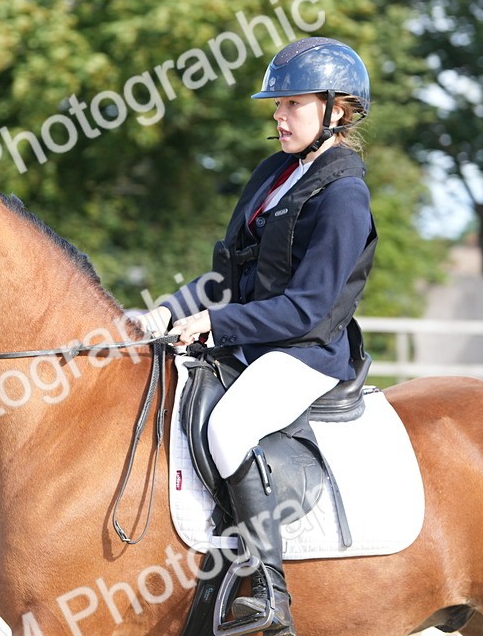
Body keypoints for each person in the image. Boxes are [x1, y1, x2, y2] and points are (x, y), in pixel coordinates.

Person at [134, 36, 378, 635]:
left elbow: (310, 307)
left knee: (229, 426)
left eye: (292, 103)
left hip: (308, 351)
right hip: (253, 338)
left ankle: (270, 593)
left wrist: (218, 322)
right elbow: (229, 273)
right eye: (278, 103)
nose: (278, 114)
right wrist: (170, 310)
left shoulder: (344, 195)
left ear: (335, 110)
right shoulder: (274, 173)